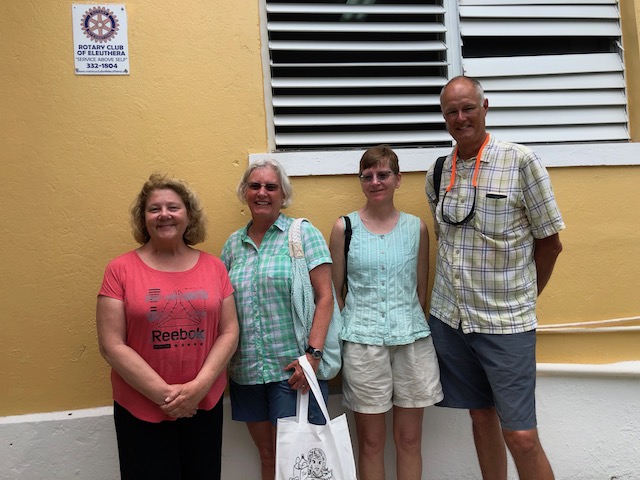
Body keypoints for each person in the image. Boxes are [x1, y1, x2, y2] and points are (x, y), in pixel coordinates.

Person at [425, 76, 565, 480]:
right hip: (452, 321)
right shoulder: (438, 171)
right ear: (444, 117)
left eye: (468, 108)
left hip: (506, 324)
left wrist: (524, 297)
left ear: (486, 107)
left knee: (521, 435)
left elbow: (550, 243)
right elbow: (448, 243)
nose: (460, 117)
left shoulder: (522, 161)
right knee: (480, 418)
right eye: (451, 111)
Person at [96, 173, 239, 480]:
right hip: (140, 407)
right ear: (143, 218)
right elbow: (111, 344)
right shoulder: (119, 269)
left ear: (189, 215)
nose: (164, 215)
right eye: (154, 209)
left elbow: (229, 332)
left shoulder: (214, 267)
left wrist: (197, 390)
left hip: (204, 404)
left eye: (173, 207)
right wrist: (167, 397)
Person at [329, 145, 443, 480]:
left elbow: (421, 293)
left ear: (397, 179)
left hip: (412, 345)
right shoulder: (343, 228)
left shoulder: (416, 228)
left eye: (383, 174)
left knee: (409, 439)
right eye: (368, 176)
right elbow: (336, 293)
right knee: (370, 441)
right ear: (361, 181)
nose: (375, 181)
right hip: (363, 346)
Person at [221, 158, 335, 480]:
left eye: (271, 187)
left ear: (282, 195)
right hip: (247, 373)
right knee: (269, 456)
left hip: (293, 372)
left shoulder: (302, 234)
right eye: (255, 186)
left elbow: (325, 296)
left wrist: (312, 356)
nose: (262, 193)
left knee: (300, 460)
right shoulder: (232, 246)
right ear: (245, 193)